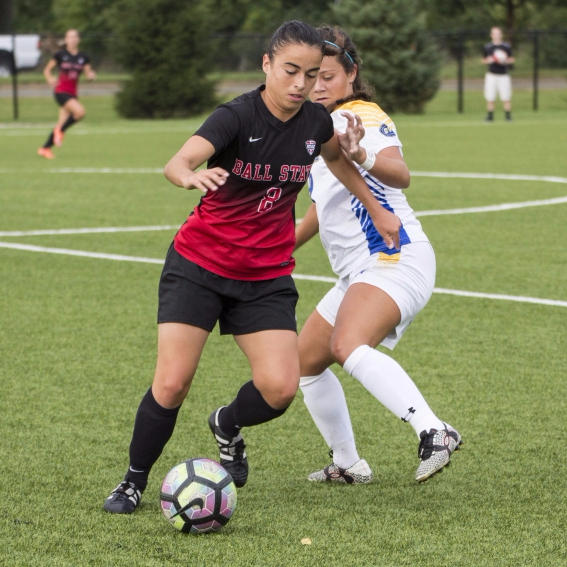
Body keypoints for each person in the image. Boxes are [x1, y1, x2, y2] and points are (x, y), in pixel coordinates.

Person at [104, 20, 402, 514]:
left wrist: (376, 208)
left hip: (265, 276)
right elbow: (178, 161)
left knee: (280, 388)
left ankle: (226, 424)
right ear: (267, 64)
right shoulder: (236, 116)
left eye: (312, 74)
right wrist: (188, 176)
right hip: (199, 264)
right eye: (290, 70)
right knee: (173, 382)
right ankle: (133, 481)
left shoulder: (316, 123)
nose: (301, 84)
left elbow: (337, 161)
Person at [295, 25, 462, 485]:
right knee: (304, 363)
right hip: (360, 271)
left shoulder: (359, 114)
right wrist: (271, 249)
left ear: (351, 74)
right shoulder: (317, 127)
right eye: (310, 76)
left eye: (328, 76)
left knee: (347, 345)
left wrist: (362, 154)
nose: (318, 86)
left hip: (394, 255)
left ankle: (434, 430)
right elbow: (319, 212)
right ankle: (349, 464)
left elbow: (400, 173)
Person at [37, 29, 96, 159]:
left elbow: (88, 75)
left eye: (75, 37)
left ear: (78, 39)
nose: (72, 39)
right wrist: (49, 78)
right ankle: (60, 132)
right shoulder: (60, 54)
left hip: (72, 94)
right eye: (69, 37)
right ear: (66, 39)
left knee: (61, 123)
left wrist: (91, 76)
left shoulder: (83, 57)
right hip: (60, 91)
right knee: (80, 112)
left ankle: (45, 148)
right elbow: (47, 70)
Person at [482, 26, 515, 122]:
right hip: (491, 75)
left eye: (498, 34)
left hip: (503, 75)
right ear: (491, 35)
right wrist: (488, 60)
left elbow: (512, 58)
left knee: (506, 96)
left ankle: (508, 116)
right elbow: (483, 60)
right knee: (490, 96)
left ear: (501, 35)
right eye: (494, 34)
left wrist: (506, 60)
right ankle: (490, 116)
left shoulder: (506, 46)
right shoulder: (488, 47)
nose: (496, 36)